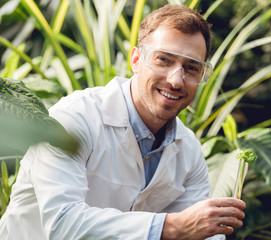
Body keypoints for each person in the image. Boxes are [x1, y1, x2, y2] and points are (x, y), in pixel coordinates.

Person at [0, 4, 246, 240]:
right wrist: (170, 227)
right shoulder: (73, 119)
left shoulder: (189, 149)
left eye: (191, 68)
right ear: (136, 60)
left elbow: (201, 234)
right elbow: (63, 224)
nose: (176, 80)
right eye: (164, 60)